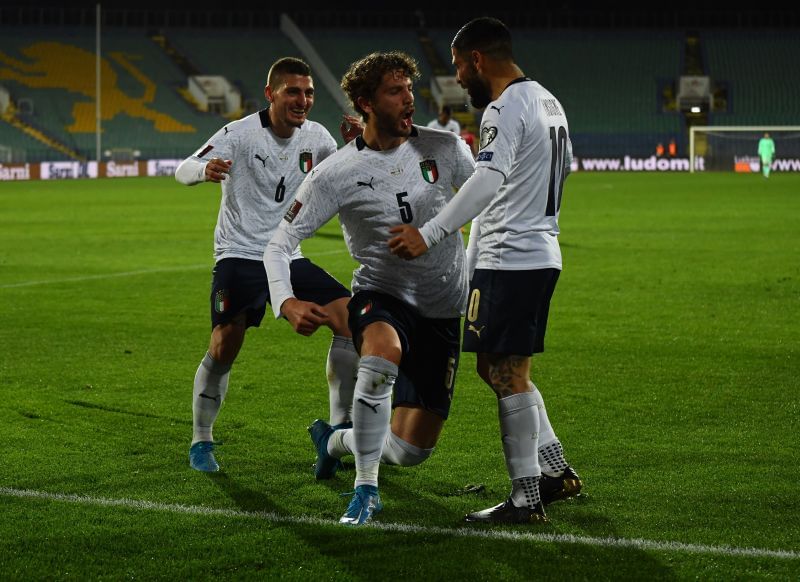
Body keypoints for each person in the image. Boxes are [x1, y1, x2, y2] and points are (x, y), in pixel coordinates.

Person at [264, 51, 476, 526]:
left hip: (443, 311)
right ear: (366, 103)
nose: (409, 101)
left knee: (409, 451)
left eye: (409, 90)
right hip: (381, 297)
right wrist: (286, 300)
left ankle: (333, 440)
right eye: (395, 92)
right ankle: (364, 491)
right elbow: (278, 244)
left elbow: (481, 205)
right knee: (381, 351)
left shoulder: (445, 148)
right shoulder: (334, 173)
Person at [388, 17, 582, 524]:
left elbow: (488, 179)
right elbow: (556, 169)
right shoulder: (548, 101)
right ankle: (555, 470)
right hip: (536, 252)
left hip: (510, 258)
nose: (457, 78)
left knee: (504, 372)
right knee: (501, 369)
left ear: (477, 60)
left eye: (458, 67)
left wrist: (429, 233)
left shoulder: (504, 105)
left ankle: (526, 499)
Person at [175, 57, 362, 473]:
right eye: (293, 92)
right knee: (225, 345)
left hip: (287, 253)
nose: (303, 100)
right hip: (239, 253)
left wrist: (359, 144)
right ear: (271, 94)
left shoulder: (317, 137)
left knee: (350, 318)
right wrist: (204, 169)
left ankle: (337, 429)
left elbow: (344, 173)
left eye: (309, 92)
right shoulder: (240, 134)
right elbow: (182, 169)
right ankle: (201, 440)